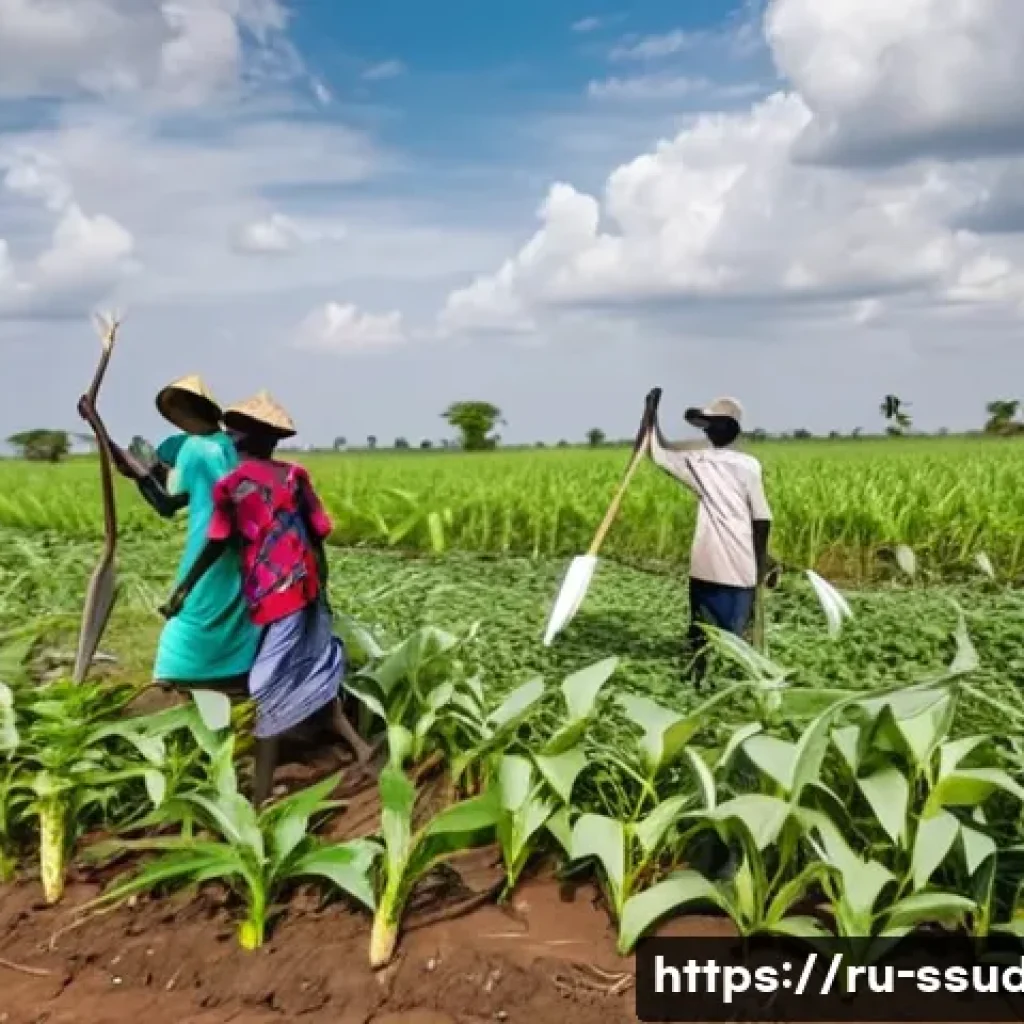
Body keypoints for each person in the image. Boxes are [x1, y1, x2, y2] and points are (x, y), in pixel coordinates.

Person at [157, 390, 374, 801]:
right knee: (306, 663)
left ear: (244, 438)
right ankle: (355, 745)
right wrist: (322, 587)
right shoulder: (293, 476)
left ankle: (259, 793)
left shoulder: (233, 486)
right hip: (299, 587)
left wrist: (184, 588)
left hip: (279, 595)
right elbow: (318, 535)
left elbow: (217, 542)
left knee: (265, 685)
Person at [77, 376, 261, 691]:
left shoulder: (196, 449)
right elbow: (148, 473)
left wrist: (130, 463)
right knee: (227, 614)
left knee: (188, 621)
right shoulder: (223, 445)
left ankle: (176, 683)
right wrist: (101, 430)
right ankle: (230, 679)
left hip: (210, 546)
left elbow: (166, 502)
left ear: (181, 408)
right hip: (239, 551)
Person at [644, 396, 772, 688]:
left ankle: (697, 684)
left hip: (706, 565)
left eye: (709, 426)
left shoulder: (698, 461)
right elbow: (762, 519)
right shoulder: (749, 465)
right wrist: (761, 562)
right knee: (733, 641)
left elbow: (658, 452)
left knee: (700, 635)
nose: (705, 432)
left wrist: (651, 417)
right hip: (740, 569)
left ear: (718, 429)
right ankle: (729, 689)